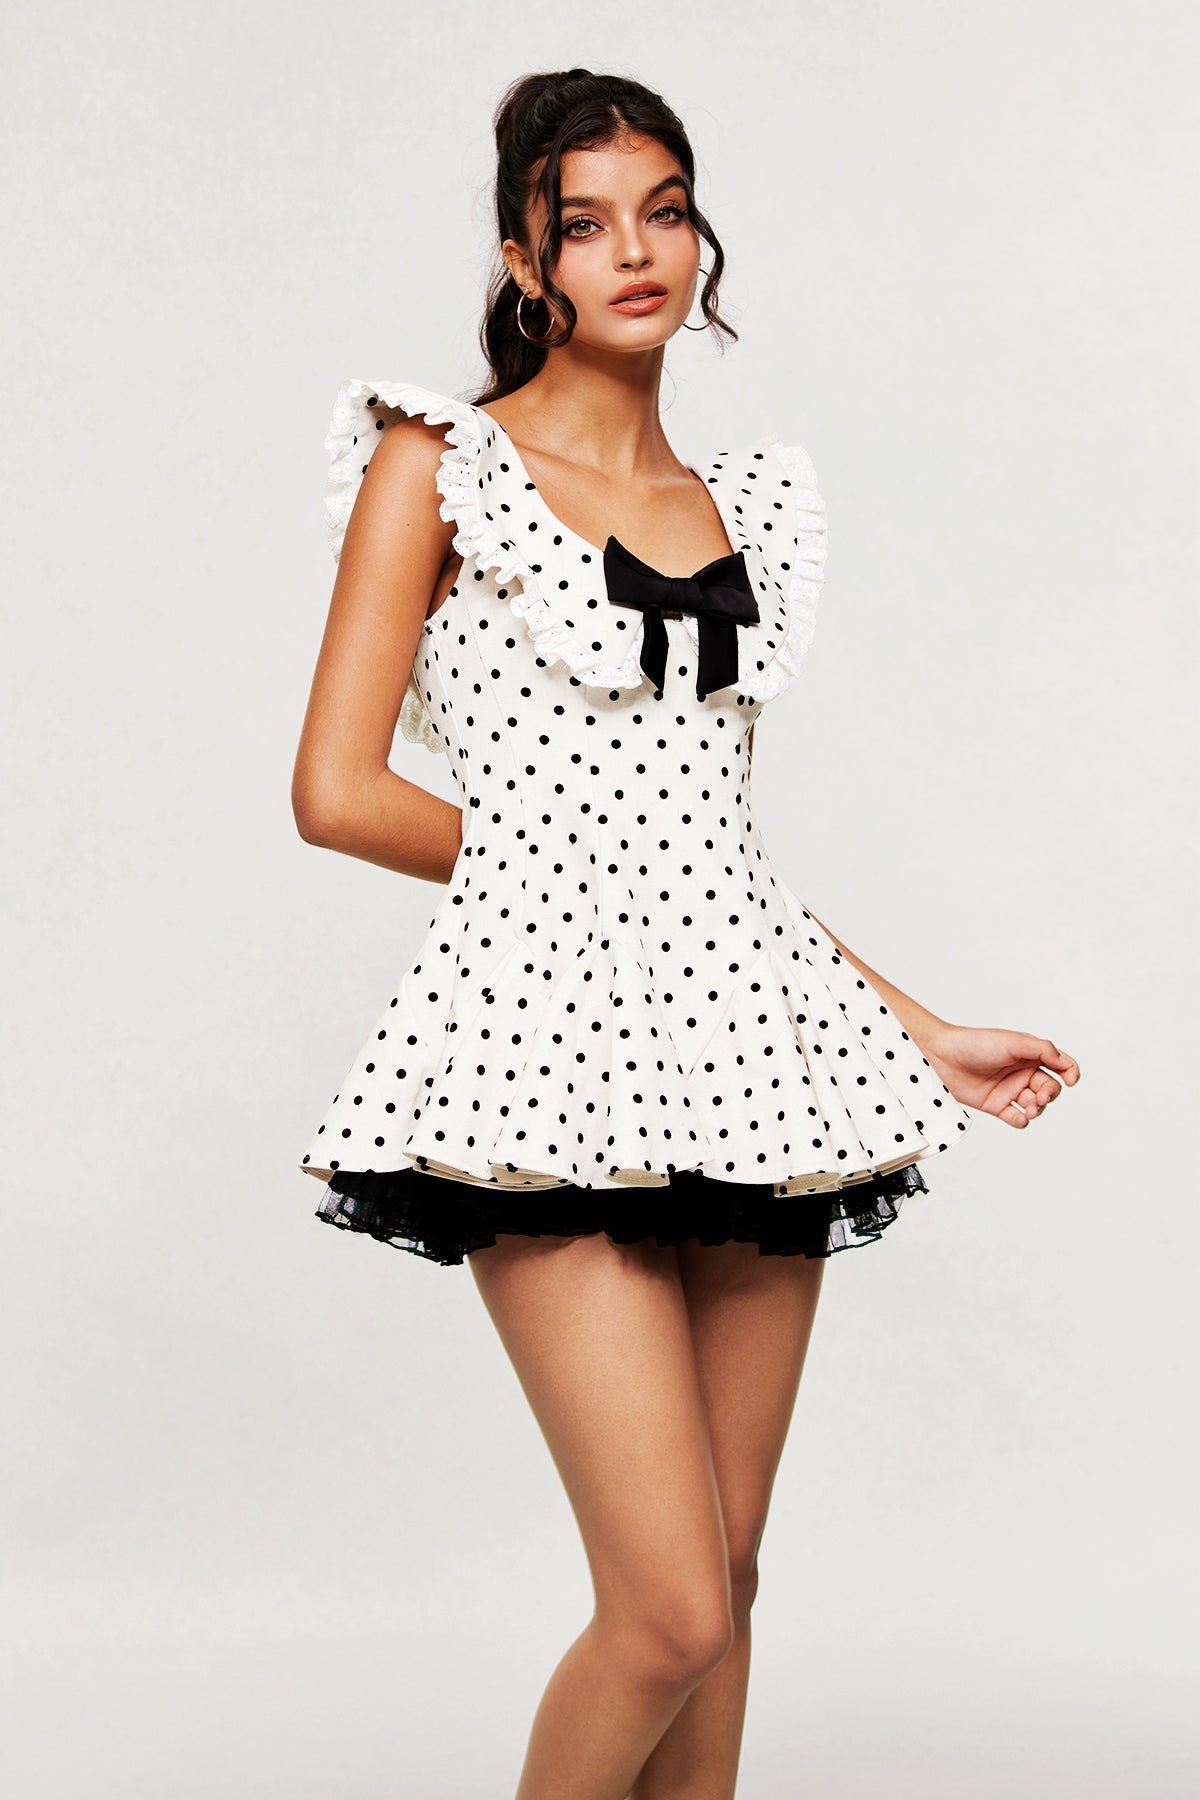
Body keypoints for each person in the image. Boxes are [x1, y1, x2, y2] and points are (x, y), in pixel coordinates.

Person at [291, 67, 1079, 1800]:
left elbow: (712, 862)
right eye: (585, 226)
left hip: (752, 1060)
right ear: (527, 263)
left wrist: (920, 1029)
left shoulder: (746, 504)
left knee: (726, 1578)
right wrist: (563, 877)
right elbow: (337, 791)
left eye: (664, 211)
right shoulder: (441, 467)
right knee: (666, 1612)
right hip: (537, 1056)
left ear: (700, 234)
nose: (635, 252)